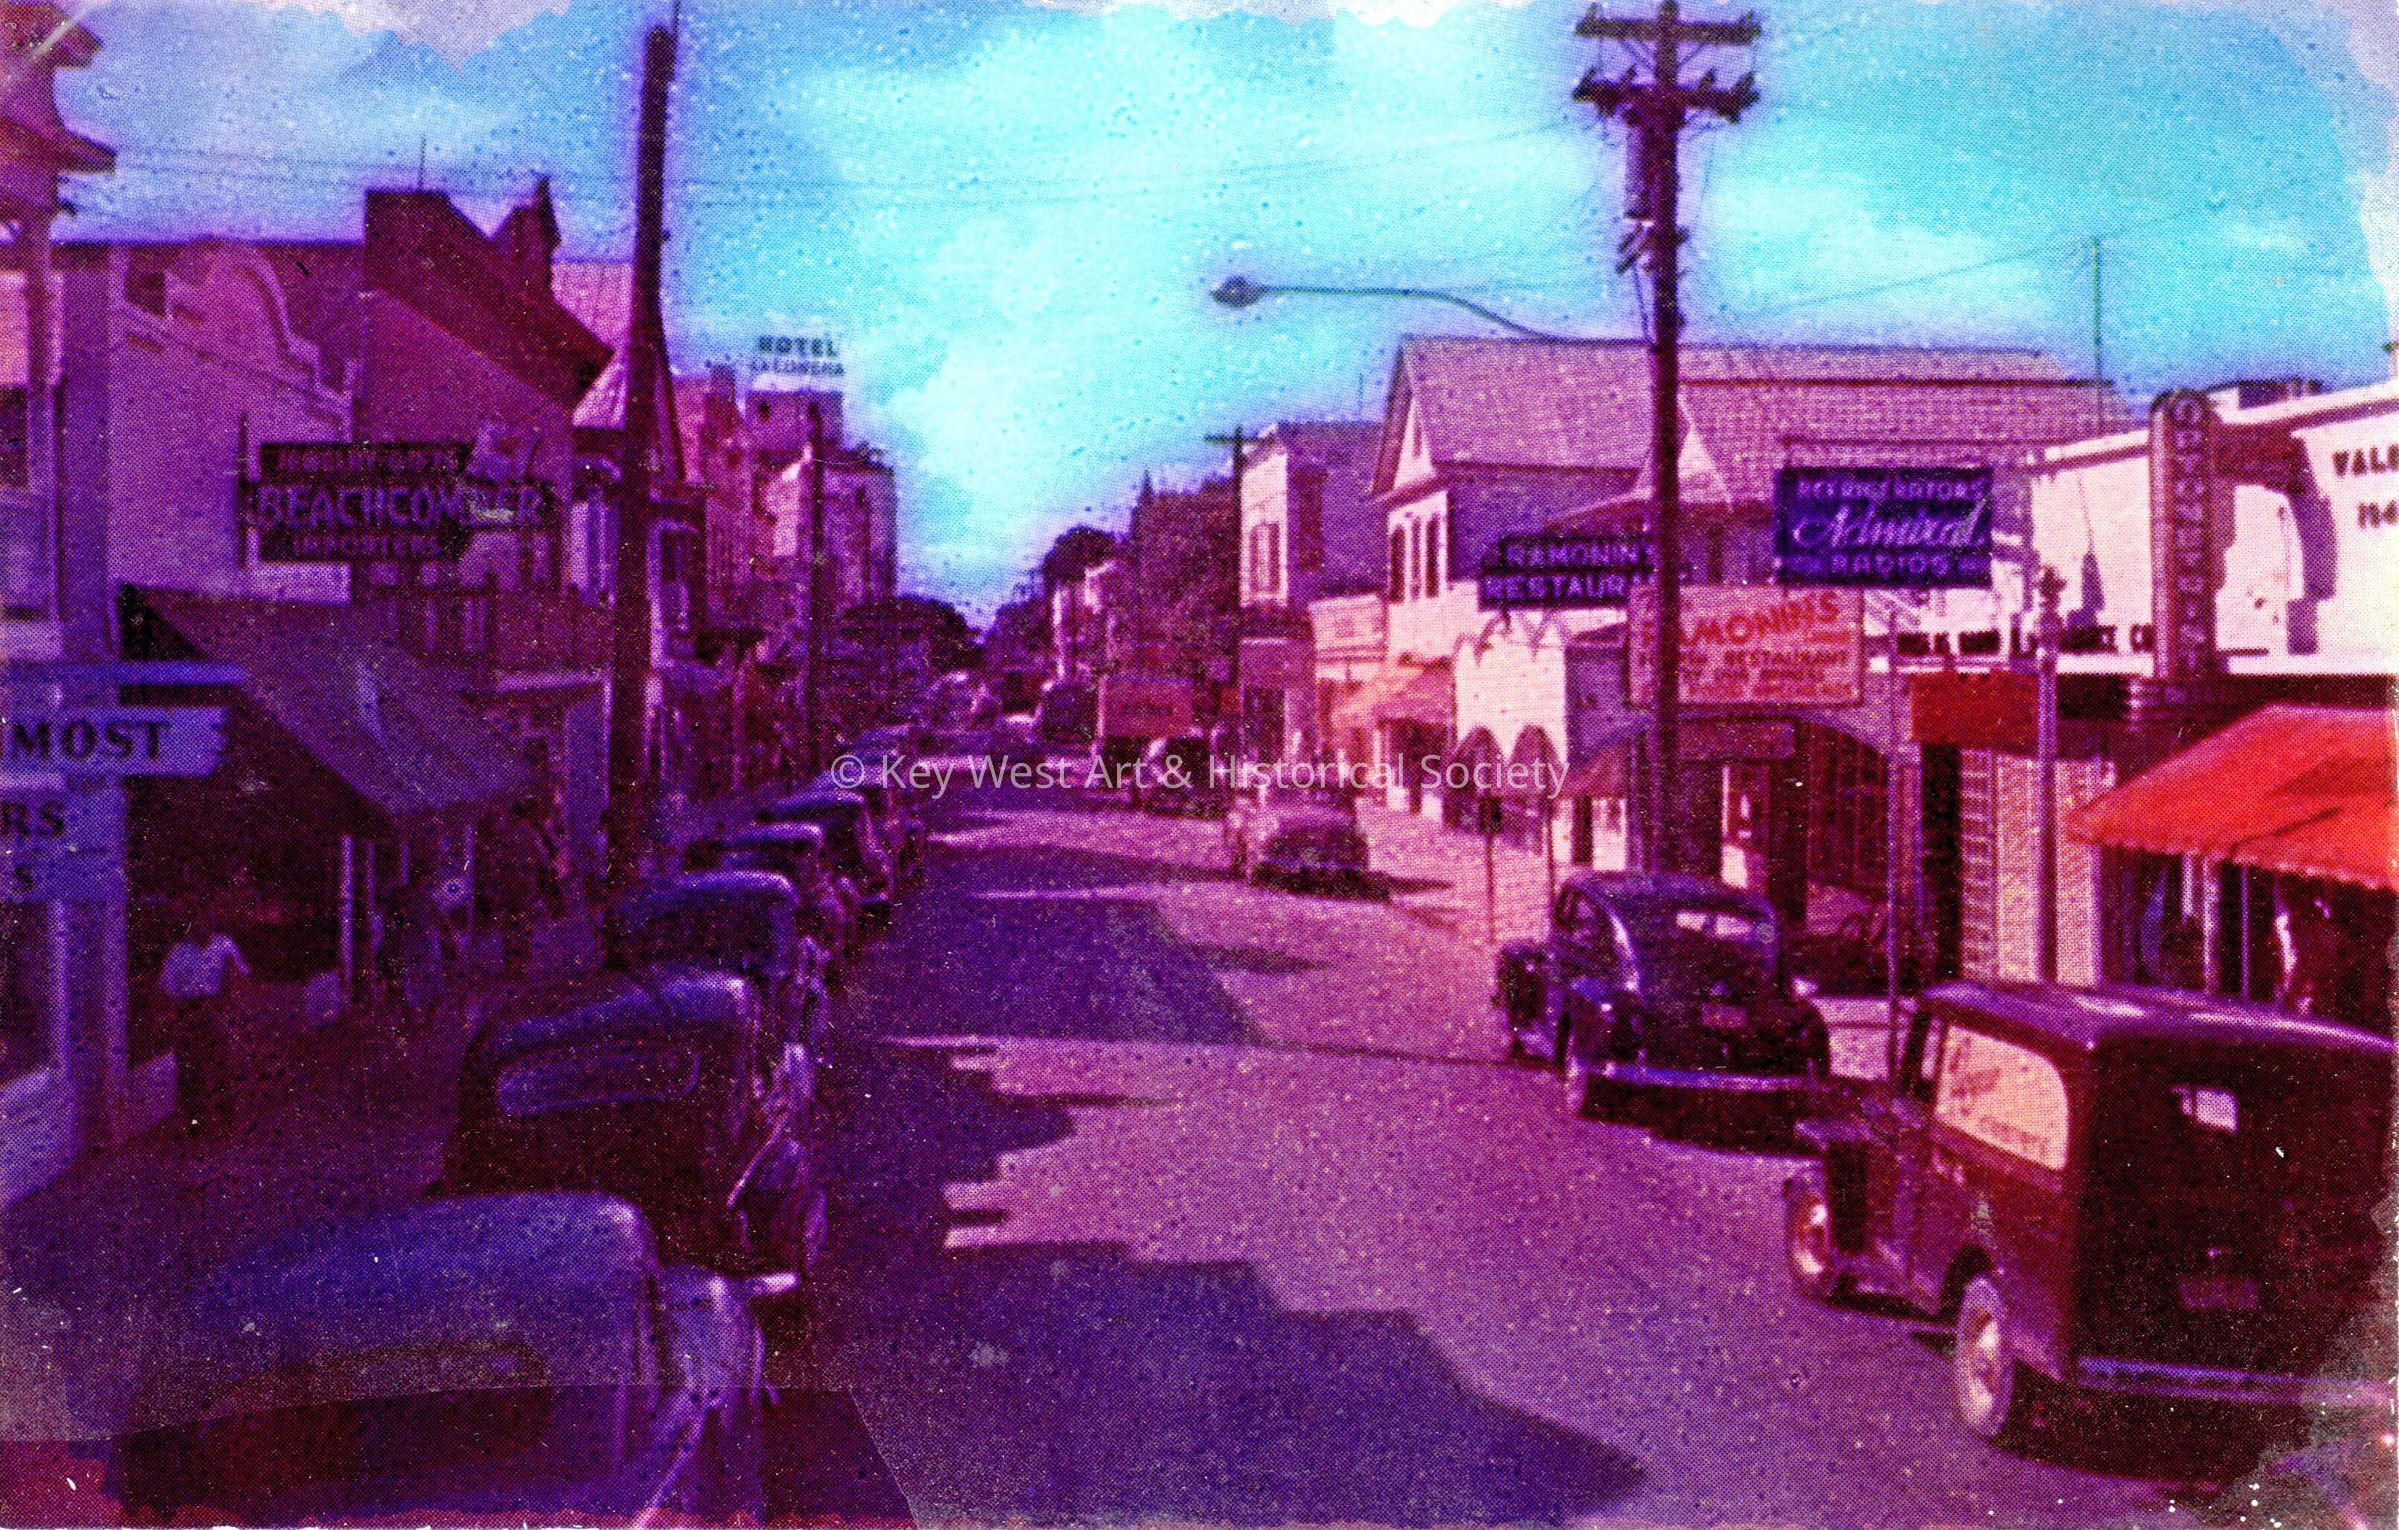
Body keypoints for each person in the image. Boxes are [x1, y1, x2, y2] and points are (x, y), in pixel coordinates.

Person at [159, 913, 249, 1135]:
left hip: (216, 1008)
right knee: (190, 1069)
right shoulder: (179, 953)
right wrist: (174, 1019)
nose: (201, 927)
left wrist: (232, 1007)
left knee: (222, 1065)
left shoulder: (224, 945)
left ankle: (227, 1121)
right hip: (190, 1011)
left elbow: (240, 976)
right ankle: (195, 1123)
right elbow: (167, 989)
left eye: (205, 922)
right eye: (196, 923)